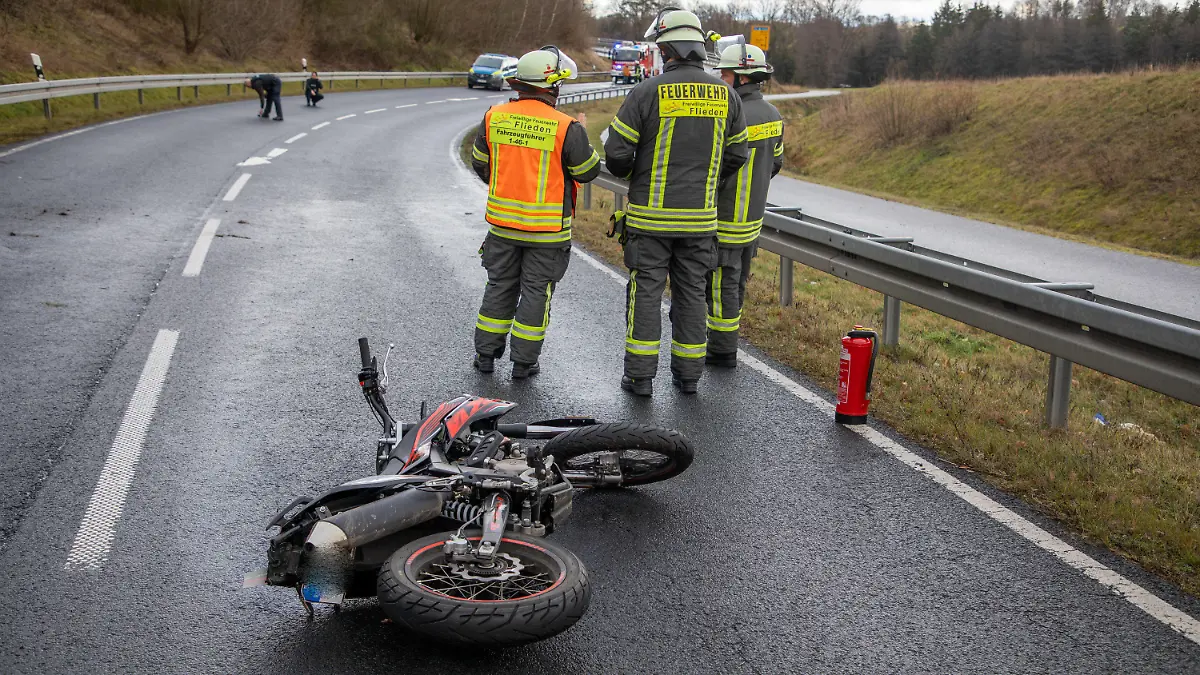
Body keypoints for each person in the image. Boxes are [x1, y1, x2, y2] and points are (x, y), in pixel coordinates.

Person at [603, 8, 749, 396]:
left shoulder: (646, 92)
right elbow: (738, 154)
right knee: (692, 296)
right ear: (698, 48)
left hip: (650, 222)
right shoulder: (728, 96)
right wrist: (709, 181)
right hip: (700, 223)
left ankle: (640, 378)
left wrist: (637, 174)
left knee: (646, 295)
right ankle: (688, 376)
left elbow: (616, 153)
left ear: (666, 50)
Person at [468, 47, 601, 379]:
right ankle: (523, 364)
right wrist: (584, 136)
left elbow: (480, 163)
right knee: (536, 294)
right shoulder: (567, 127)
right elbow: (587, 171)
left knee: (499, 286)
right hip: (547, 233)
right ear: (552, 86)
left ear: (519, 83)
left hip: (502, 227)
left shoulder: (494, 116)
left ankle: (485, 356)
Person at [706, 42, 785, 368]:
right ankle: (727, 341)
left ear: (741, 77)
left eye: (725, 75)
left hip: (723, 218)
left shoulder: (729, 114)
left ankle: (721, 350)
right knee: (736, 284)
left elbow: (713, 164)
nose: (721, 80)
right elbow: (776, 163)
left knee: (720, 286)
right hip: (751, 222)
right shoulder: (774, 115)